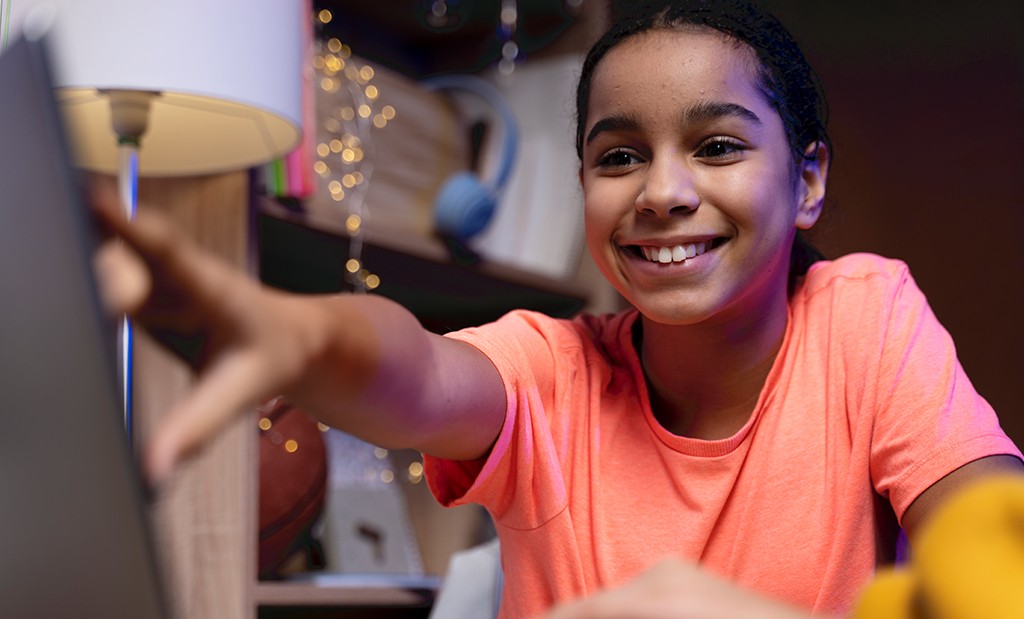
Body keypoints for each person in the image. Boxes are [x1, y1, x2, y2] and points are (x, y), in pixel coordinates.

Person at [91, 0, 1023, 617]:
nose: (661, 190)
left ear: (807, 178)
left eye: (717, 146)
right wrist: (298, 331)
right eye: (618, 157)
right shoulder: (553, 366)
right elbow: (413, 369)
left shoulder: (865, 316)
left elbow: (989, 555)